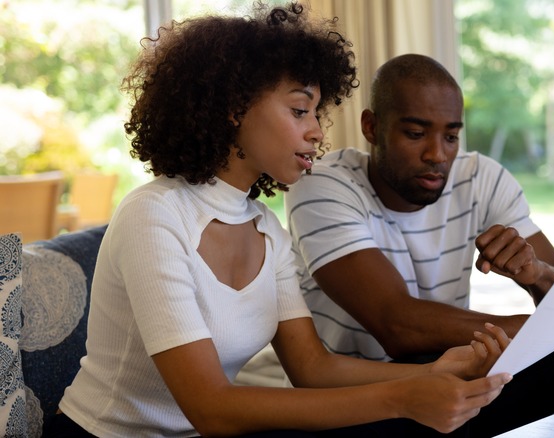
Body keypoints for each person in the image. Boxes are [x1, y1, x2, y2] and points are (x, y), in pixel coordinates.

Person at [47, 6, 513, 438]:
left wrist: (433, 372)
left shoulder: (266, 229)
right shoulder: (154, 215)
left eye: (316, 113)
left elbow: (313, 368)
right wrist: (402, 398)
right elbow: (211, 407)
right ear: (234, 108)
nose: (317, 131)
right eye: (299, 111)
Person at [284, 53, 554, 437]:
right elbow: (396, 324)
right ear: (371, 127)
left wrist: (539, 274)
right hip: (364, 395)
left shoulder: (480, 178)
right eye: (415, 134)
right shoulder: (324, 185)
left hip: (453, 371)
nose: (437, 155)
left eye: (451, 136)